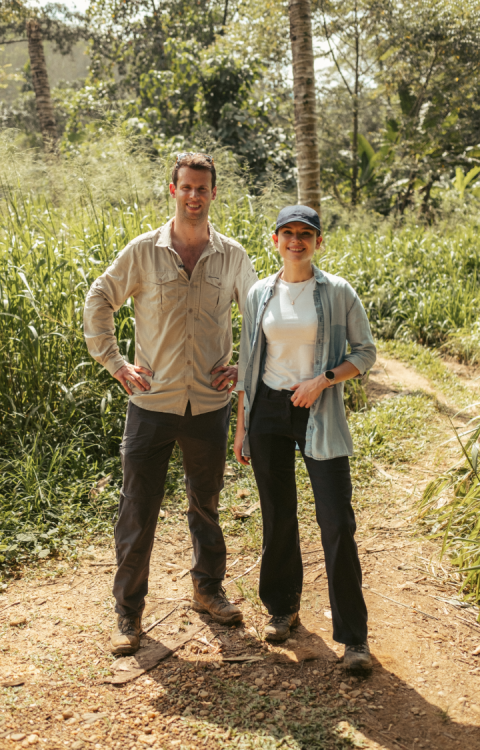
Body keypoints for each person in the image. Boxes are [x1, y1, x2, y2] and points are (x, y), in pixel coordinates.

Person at [84, 152, 258, 655]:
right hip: (151, 403)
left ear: (213, 194)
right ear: (172, 189)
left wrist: (245, 370)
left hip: (208, 405)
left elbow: (261, 316)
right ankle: (129, 616)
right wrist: (116, 363)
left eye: (203, 188)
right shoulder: (143, 252)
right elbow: (100, 298)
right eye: (186, 187)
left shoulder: (233, 257)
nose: (194, 196)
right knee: (138, 510)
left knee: (206, 505)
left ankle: (208, 591)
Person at [233, 205, 376, 671]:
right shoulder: (259, 293)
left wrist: (324, 379)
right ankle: (282, 608)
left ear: (318, 241)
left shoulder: (337, 292)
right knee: (278, 513)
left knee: (336, 520)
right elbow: (248, 364)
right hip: (268, 412)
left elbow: (365, 352)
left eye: (306, 234)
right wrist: (241, 428)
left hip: (319, 409)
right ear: (275, 239)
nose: (296, 240)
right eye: (288, 233)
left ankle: (354, 639)